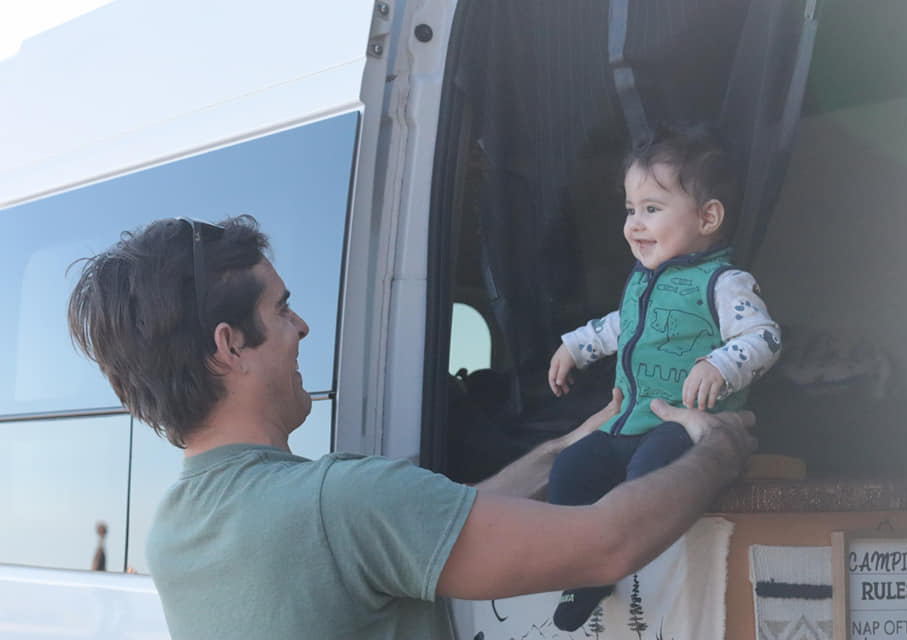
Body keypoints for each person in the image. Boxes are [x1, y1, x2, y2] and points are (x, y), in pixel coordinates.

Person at [67, 215, 756, 640]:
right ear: (229, 347)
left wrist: (577, 442)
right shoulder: (339, 507)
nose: (302, 326)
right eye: (281, 311)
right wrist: (715, 451)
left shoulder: (175, 529)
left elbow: (433, 521)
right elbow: (608, 544)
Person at [546, 124, 781, 630]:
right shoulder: (641, 283)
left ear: (707, 217)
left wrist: (718, 363)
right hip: (628, 423)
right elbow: (620, 326)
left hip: (687, 428)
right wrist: (576, 345)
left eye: (652, 208)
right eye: (630, 210)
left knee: (650, 474)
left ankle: (643, 567)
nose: (634, 224)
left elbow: (765, 339)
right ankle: (585, 574)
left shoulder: (724, 282)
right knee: (570, 469)